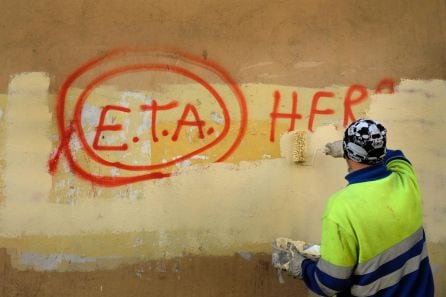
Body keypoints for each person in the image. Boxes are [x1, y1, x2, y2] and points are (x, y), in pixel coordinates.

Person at [272, 119, 434, 296]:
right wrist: (354, 148)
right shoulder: (405, 177)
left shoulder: (341, 207)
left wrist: (300, 266)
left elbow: (330, 283)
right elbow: (395, 155)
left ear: (348, 154)